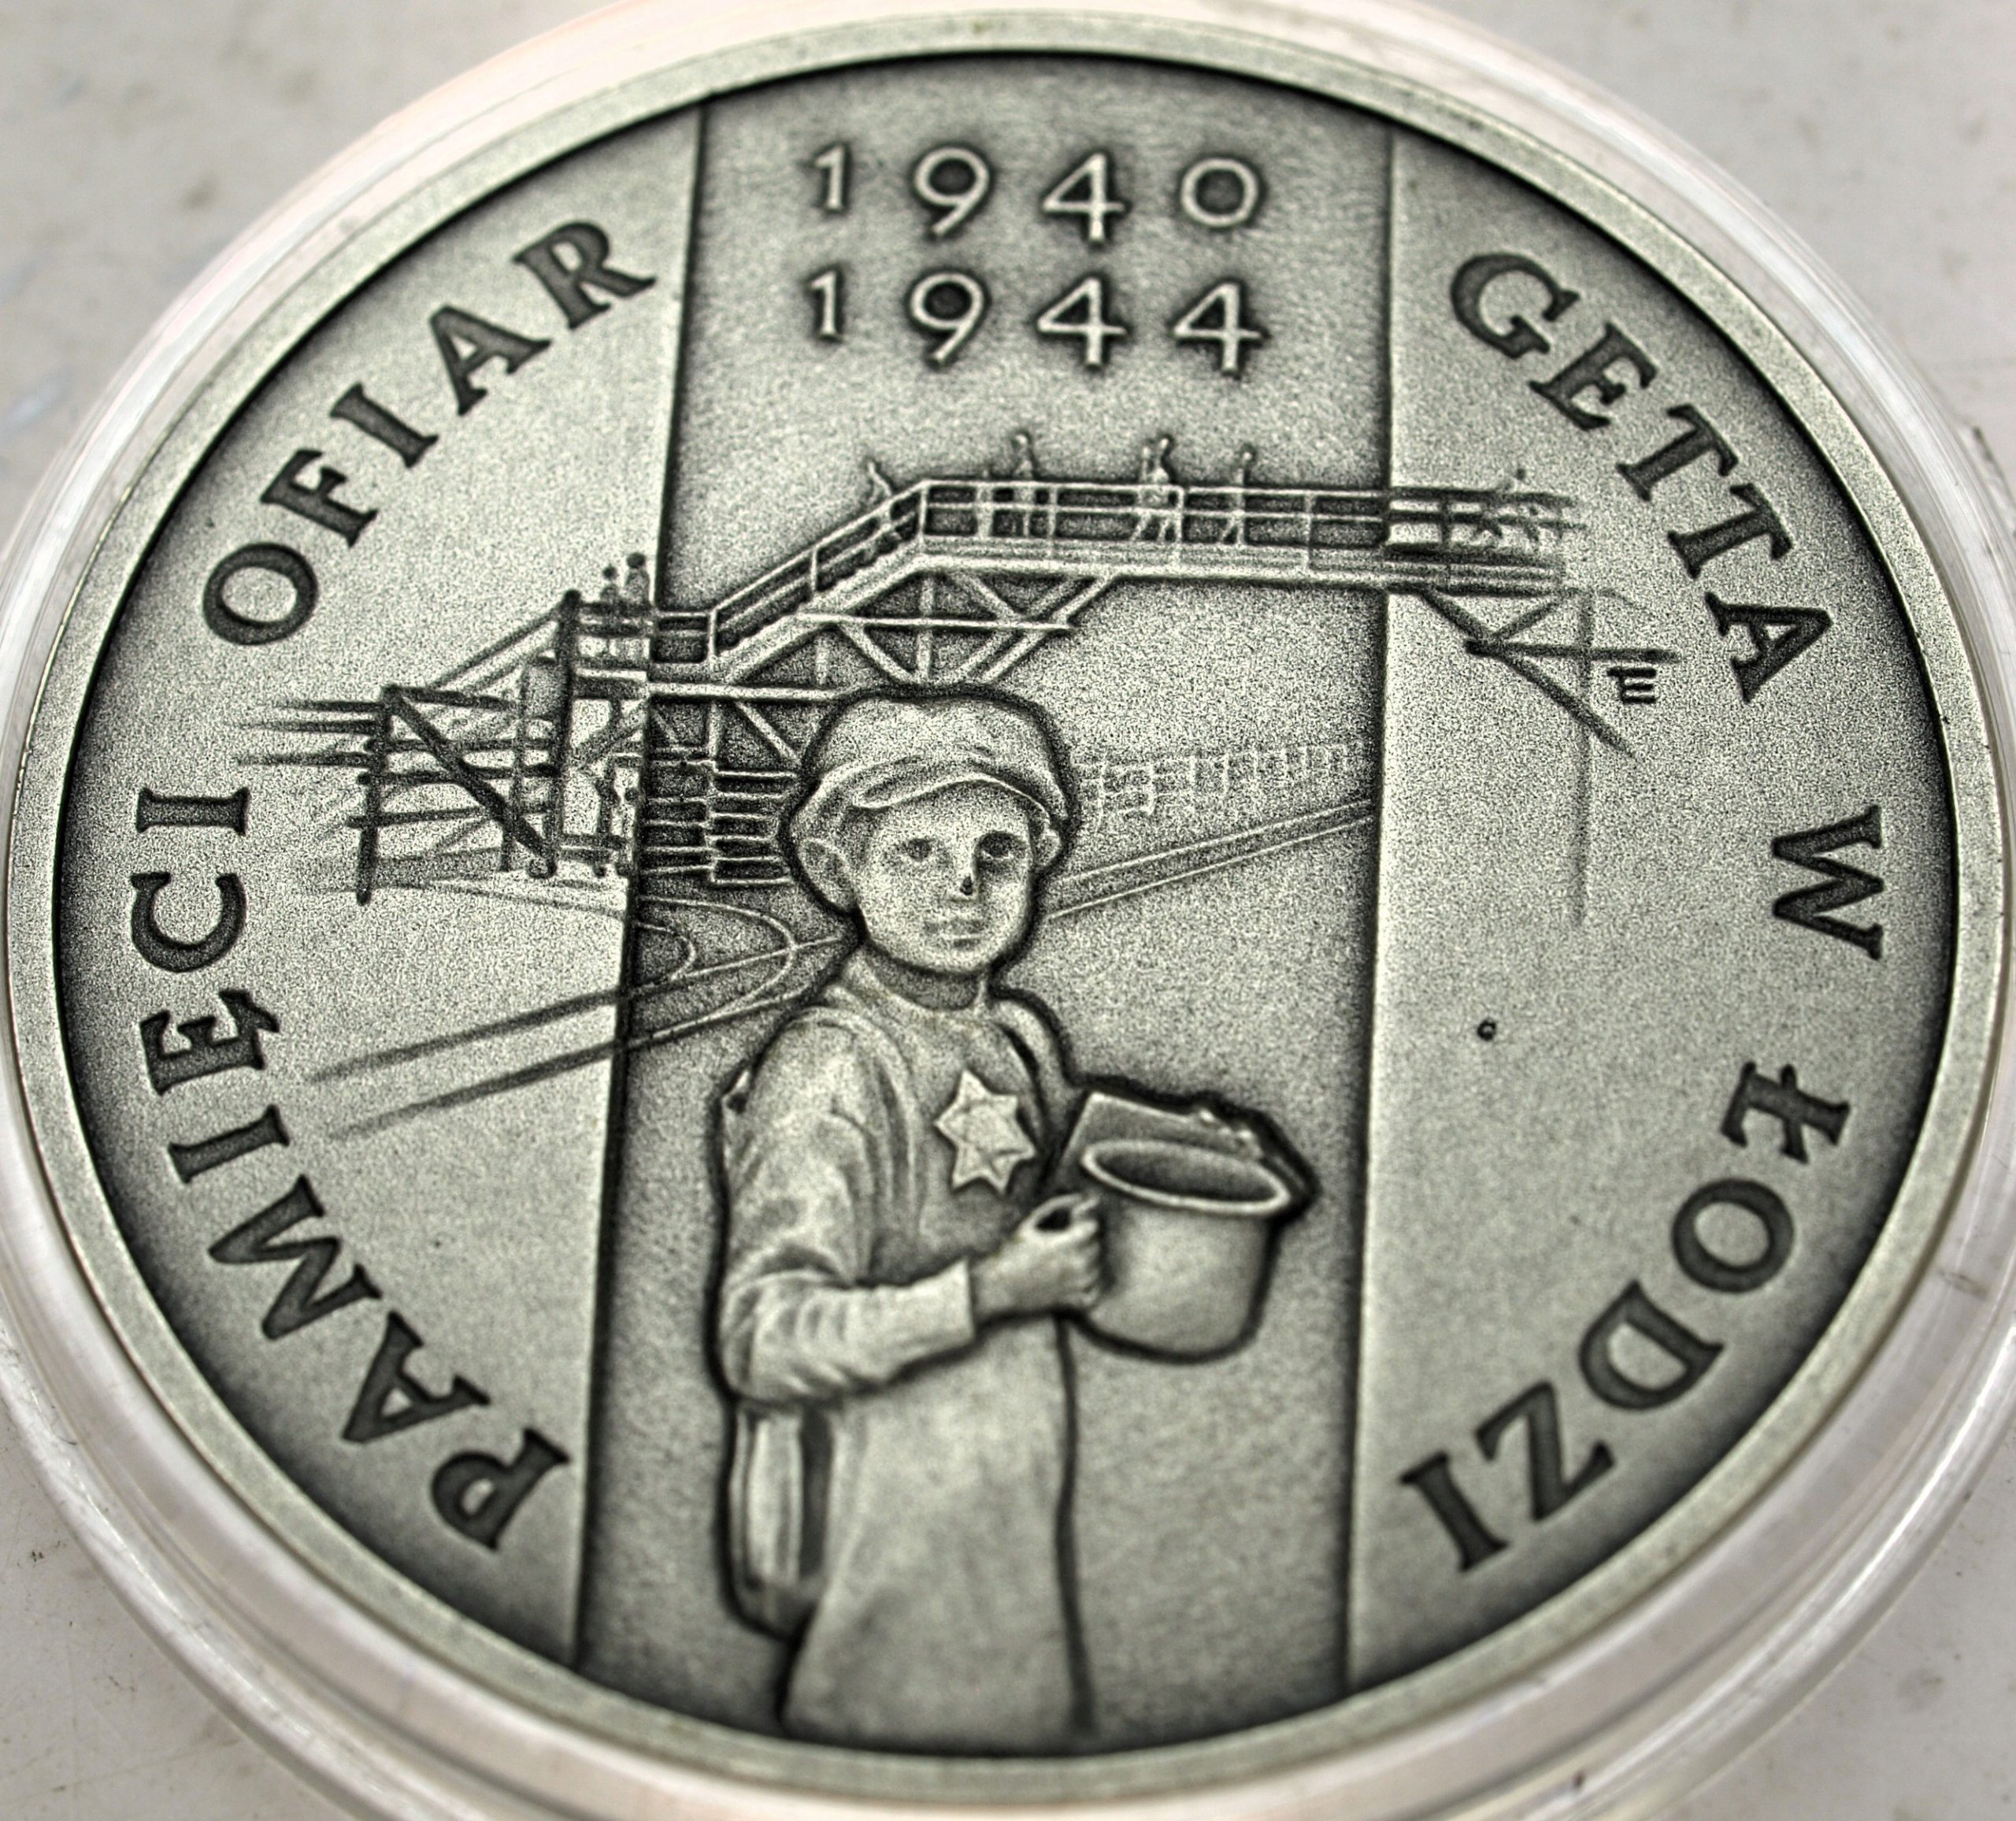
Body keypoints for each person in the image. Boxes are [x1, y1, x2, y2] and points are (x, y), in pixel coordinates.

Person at [713, 691, 1099, 1752]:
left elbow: (1059, 1196)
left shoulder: (1016, 1039)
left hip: (1007, 1530)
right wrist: (989, 1295)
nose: (963, 888)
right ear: (838, 870)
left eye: (996, 853)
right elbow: (762, 1337)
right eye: (917, 852)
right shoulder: (831, 1067)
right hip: (877, 1545)